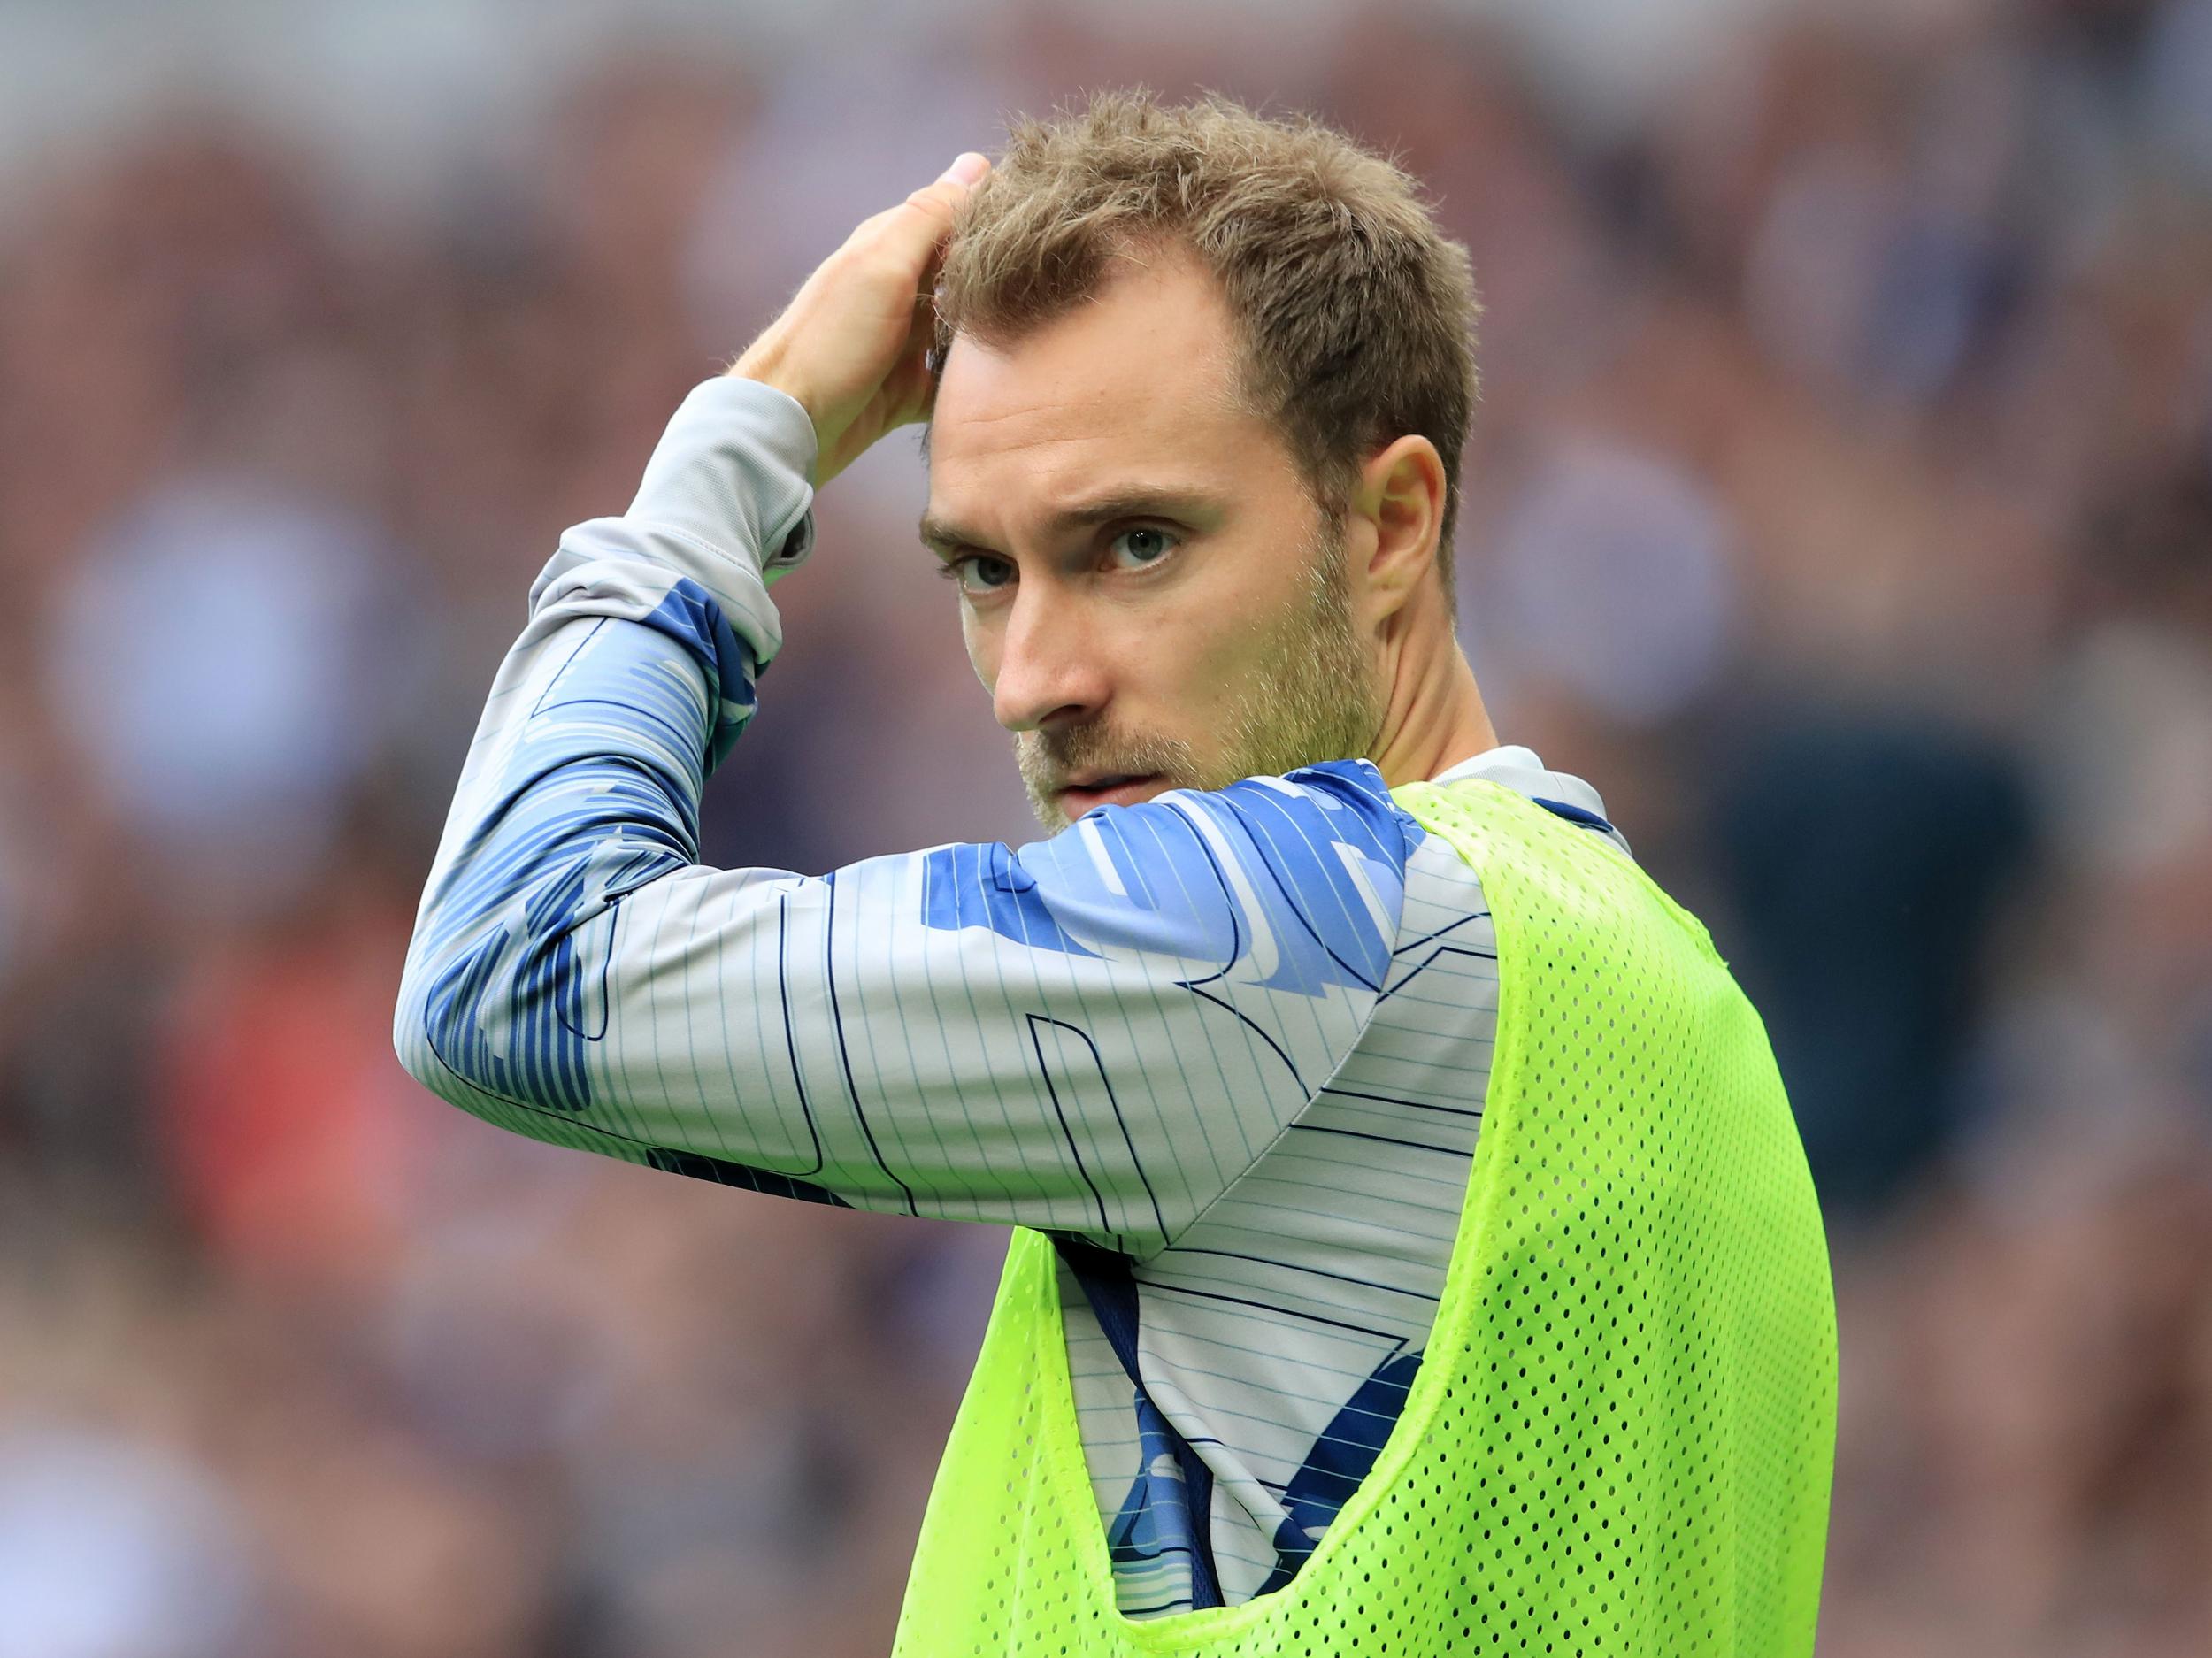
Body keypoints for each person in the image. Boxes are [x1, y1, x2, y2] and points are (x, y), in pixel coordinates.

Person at [395, 89, 1835, 1654]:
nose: (1031, 679)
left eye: (1134, 544)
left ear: (1391, 523)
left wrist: (743, 439)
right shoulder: (1671, 998)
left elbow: (509, 964)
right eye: (983, 570)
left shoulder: (1291, 930)